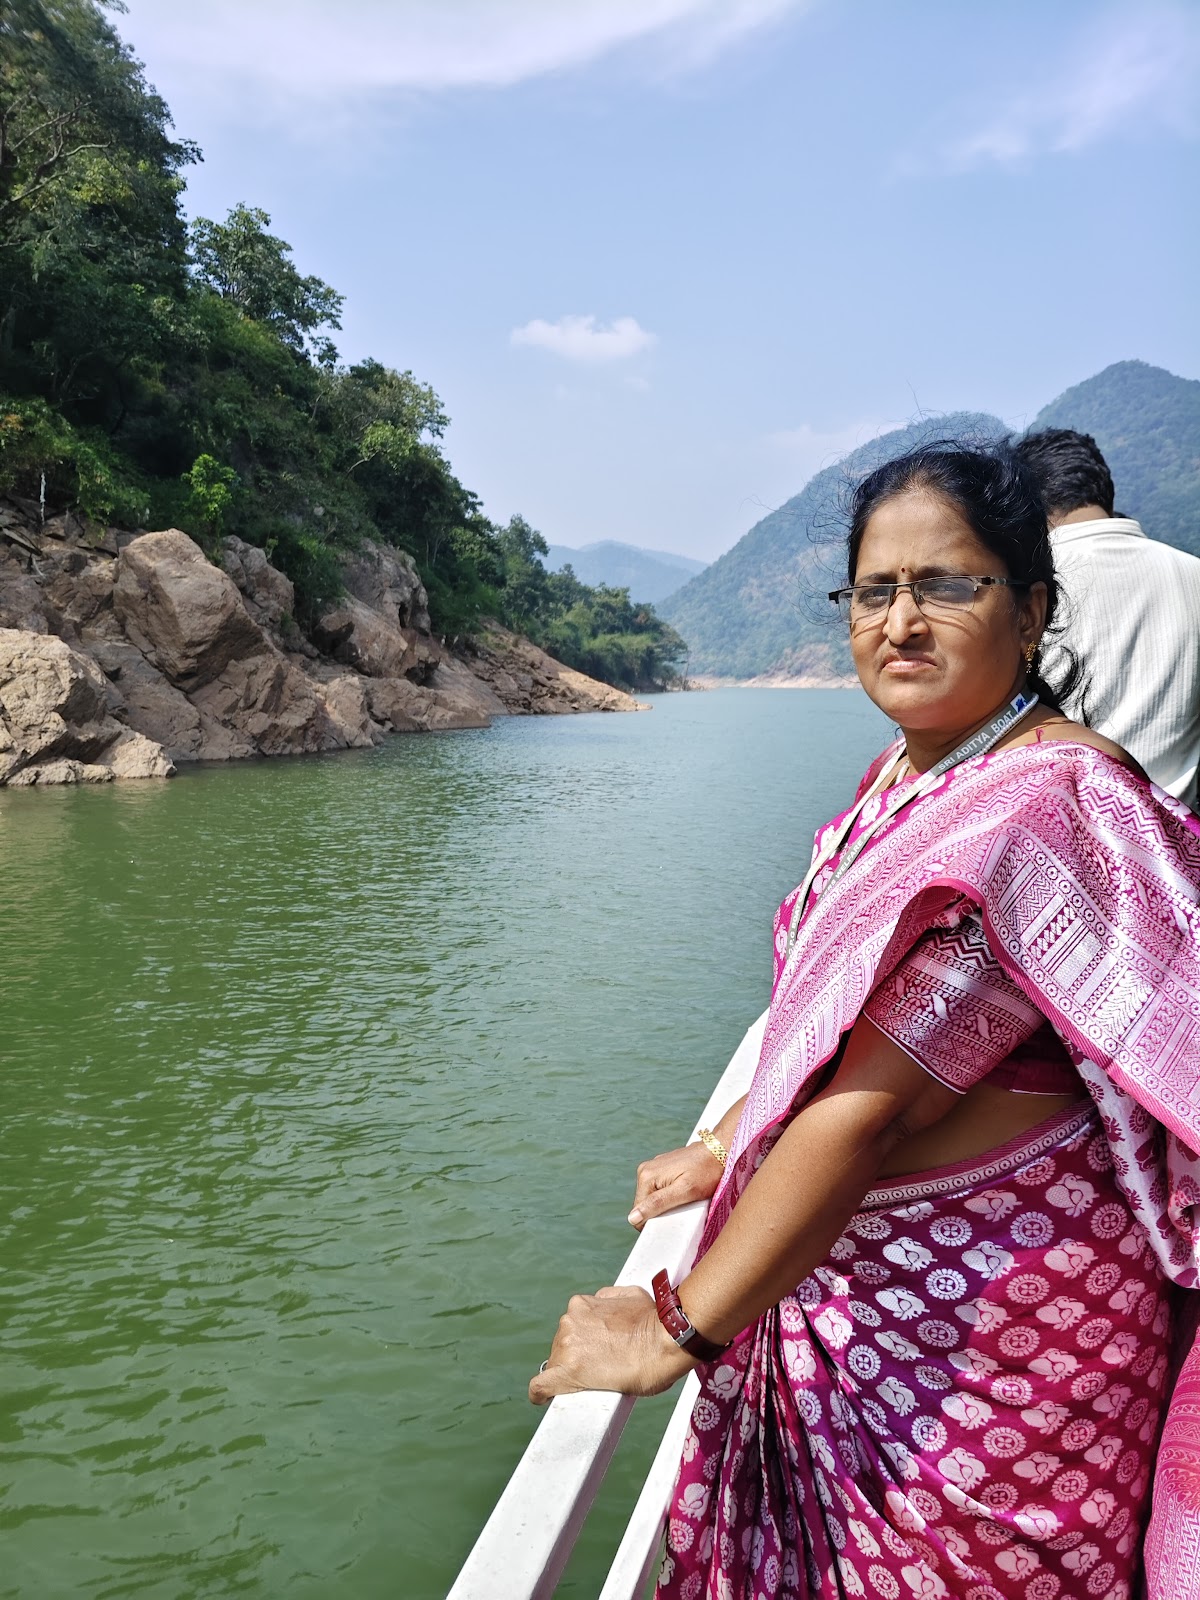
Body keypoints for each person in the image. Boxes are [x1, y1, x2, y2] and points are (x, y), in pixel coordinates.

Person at [529, 440, 1200, 1600]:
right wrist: (728, 1135)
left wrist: (673, 1330)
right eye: (874, 590)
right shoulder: (906, 778)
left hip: (994, 1363)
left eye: (946, 585)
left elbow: (870, 1110)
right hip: (875, 1314)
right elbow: (823, 1015)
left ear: (1032, 609)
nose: (902, 620)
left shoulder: (1041, 810)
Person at [1014, 427, 1200, 811]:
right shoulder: (1192, 573)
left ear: (1025, 505)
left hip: (1055, 828)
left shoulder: (1025, 592)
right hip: (1178, 834)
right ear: (1104, 491)